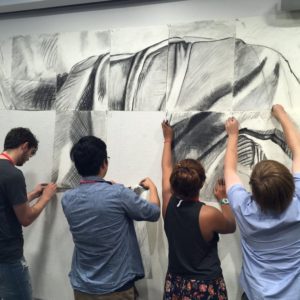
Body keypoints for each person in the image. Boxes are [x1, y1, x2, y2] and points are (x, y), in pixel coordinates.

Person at [61, 136, 160, 300]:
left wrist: (114, 191)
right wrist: (153, 188)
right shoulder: (118, 194)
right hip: (116, 287)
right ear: (104, 164)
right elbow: (153, 213)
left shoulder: (67, 198)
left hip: (82, 286)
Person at [224, 104, 300, 299]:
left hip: (257, 293)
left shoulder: (244, 209)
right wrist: (281, 114)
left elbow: (230, 171)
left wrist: (233, 135)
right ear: (290, 184)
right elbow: (297, 150)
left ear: (253, 192)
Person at [161, 121, 236, 300]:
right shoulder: (207, 214)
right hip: (204, 286)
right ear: (201, 184)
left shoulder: (168, 204)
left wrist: (167, 140)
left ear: (173, 185)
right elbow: (231, 225)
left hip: (176, 283)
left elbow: (165, 168)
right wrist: (224, 199)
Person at [0, 127, 57, 300]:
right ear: (24, 146)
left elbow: (5, 203)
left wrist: (32, 194)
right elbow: (25, 218)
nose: (28, 158)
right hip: (7, 255)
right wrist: (46, 198)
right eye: (31, 153)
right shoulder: (13, 174)